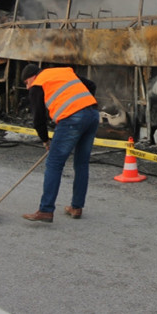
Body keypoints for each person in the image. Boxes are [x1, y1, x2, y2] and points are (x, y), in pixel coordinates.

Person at [21, 63, 99, 223]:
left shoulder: (37, 85)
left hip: (72, 118)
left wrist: (45, 141)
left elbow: (38, 120)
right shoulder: (63, 71)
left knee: (54, 164)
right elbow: (91, 85)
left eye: (26, 83)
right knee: (82, 163)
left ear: (31, 77)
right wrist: (81, 106)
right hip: (92, 114)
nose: (28, 88)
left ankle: (46, 210)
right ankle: (76, 207)